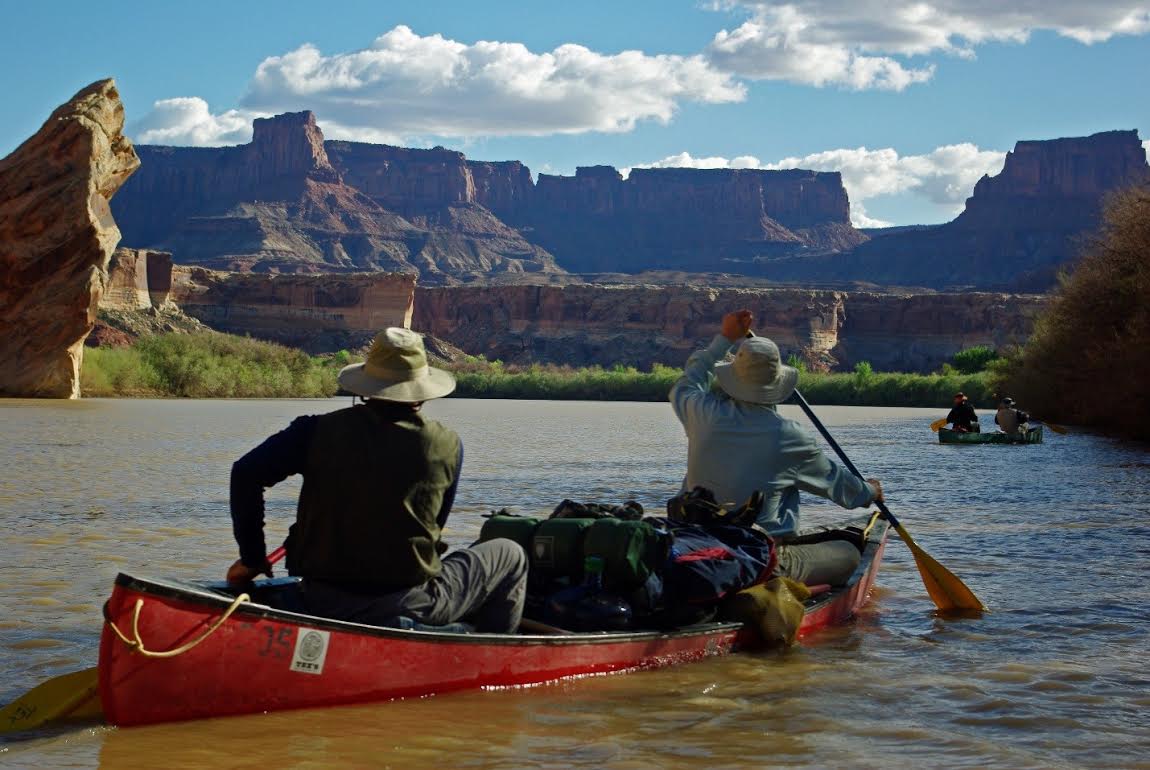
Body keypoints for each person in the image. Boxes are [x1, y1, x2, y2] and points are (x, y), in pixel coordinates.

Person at [226, 327, 527, 633]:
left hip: (317, 597)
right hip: (411, 602)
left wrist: (251, 558)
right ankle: (487, 656)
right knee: (510, 554)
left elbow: (245, 474)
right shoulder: (448, 445)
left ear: (366, 387)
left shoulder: (312, 431)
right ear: (421, 392)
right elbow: (434, 526)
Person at [669, 310, 884, 587]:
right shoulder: (789, 436)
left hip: (695, 542)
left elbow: (687, 382)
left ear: (733, 376)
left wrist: (724, 338)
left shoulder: (702, 412)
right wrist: (871, 491)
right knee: (850, 553)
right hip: (757, 558)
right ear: (776, 383)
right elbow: (845, 491)